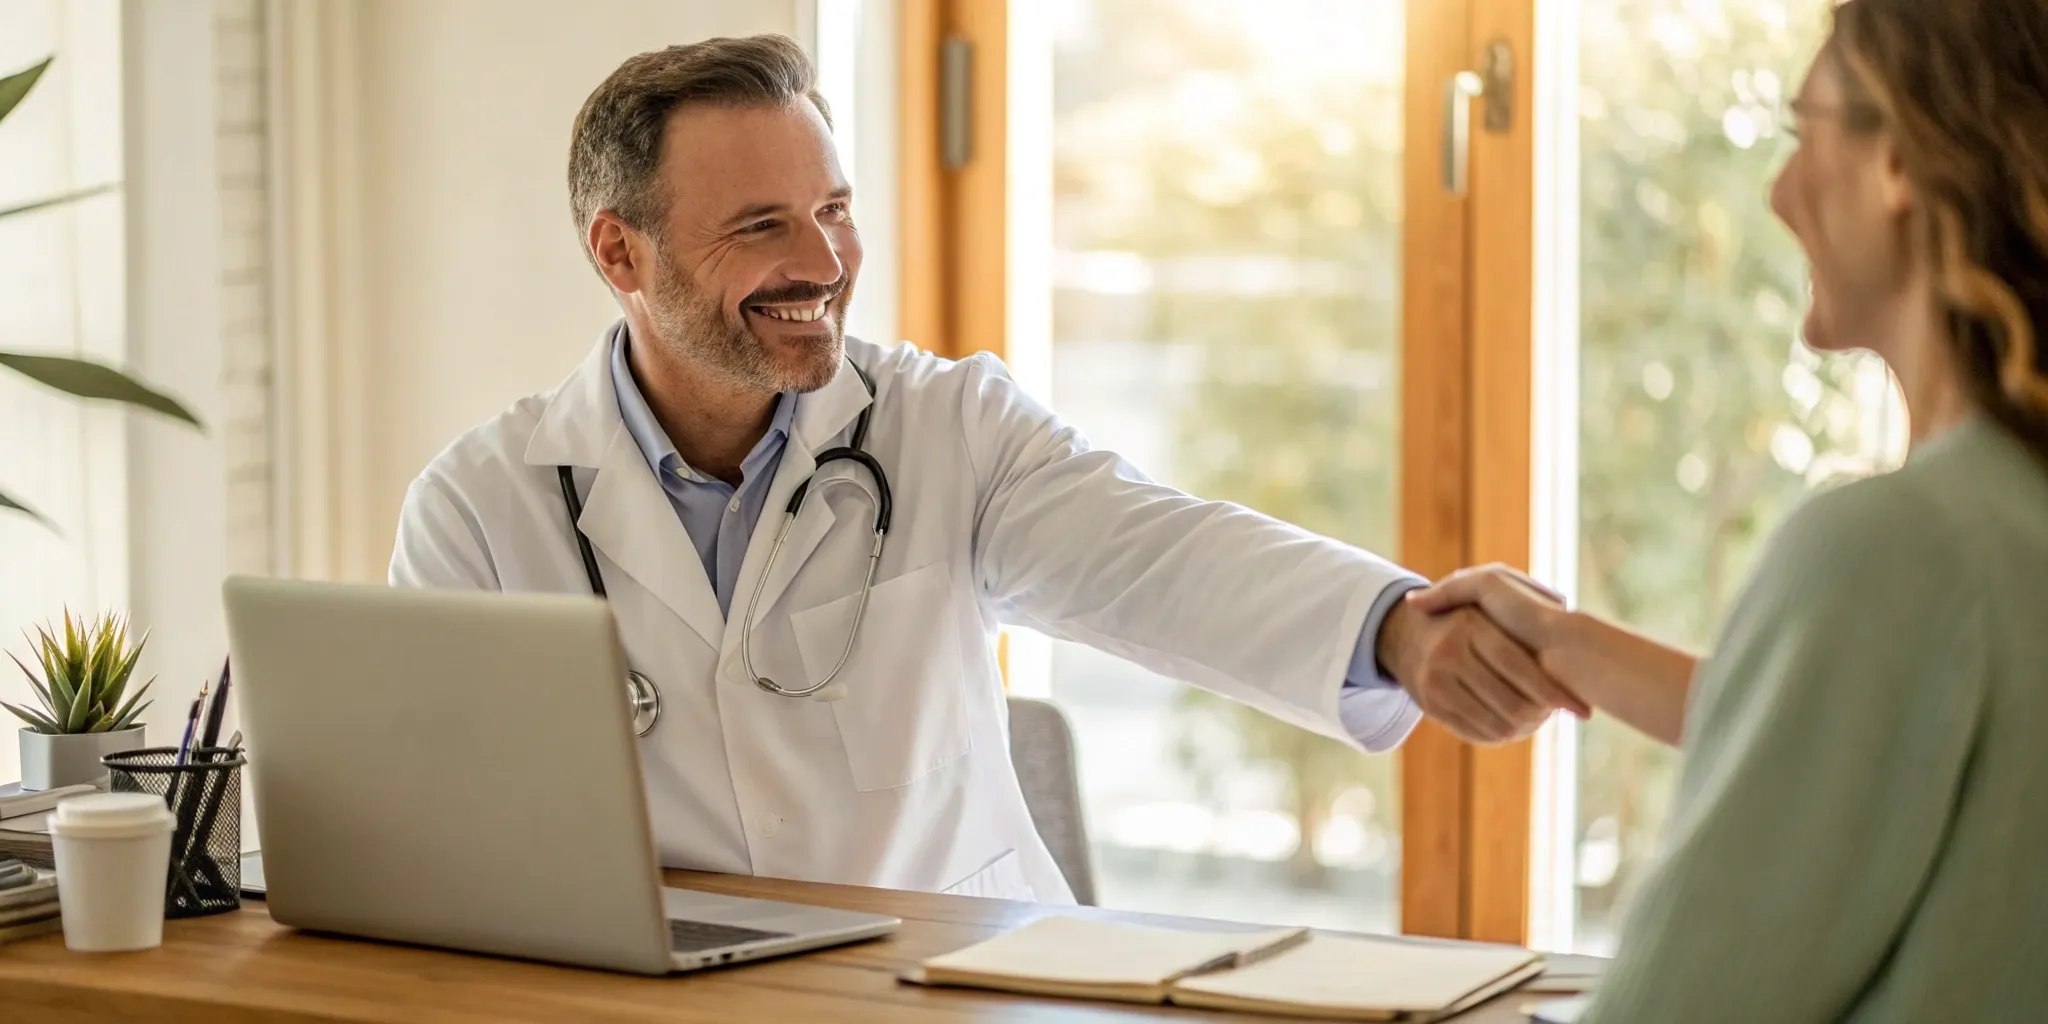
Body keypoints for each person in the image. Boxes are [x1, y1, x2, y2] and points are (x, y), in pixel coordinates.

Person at [387, 35, 1585, 903]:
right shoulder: (483, 507)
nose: (825, 259)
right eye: (760, 226)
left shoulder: (948, 427)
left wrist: (1395, 630)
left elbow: (1157, 558)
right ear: (618, 252)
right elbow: (433, 832)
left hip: (948, 986)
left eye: (835, 208)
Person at [1416, 0, 2048, 1017]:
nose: (1777, 191)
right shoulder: (2001, 523)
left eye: (1804, 133)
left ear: (1898, 167)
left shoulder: (1896, 547)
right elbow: (1878, 730)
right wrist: (1570, 645)